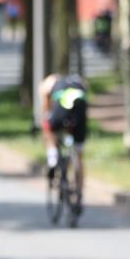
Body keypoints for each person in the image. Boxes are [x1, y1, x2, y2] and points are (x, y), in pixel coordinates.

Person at [39, 72, 88, 216]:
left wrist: (47, 119)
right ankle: (79, 194)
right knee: (79, 154)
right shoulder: (80, 81)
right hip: (79, 110)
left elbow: (46, 108)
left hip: (60, 107)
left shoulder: (49, 81)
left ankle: (53, 157)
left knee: (47, 128)